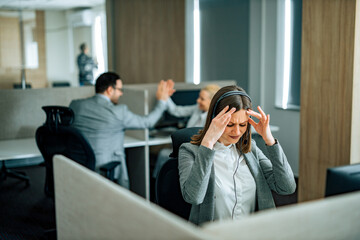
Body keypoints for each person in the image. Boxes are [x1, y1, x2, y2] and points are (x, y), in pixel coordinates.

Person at [178, 85, 296, 225]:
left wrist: (269, 140)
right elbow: (194, 197)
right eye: (230, 124)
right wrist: (208, 142)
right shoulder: (189, 151)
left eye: (243, 124)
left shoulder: (250, 150)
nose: (237, 132)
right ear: (215, 119)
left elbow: (287, 187)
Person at [69, 72, 175, 189]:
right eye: (119, 89)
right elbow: (147, 122)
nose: (121, 93)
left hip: (78, 164)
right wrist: (162, 101)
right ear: (110, 90)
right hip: (103, 167)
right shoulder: (118, 112)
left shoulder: (76, 105)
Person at [152, 84, 220, 178]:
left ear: (212, 101)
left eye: (202, 99)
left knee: (163, 154)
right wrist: (165, 96)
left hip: (195, 153)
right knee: (163, 153)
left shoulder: (214, 120)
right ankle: (158, 182)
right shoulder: (198, 109)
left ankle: (159, 181)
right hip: (185, 147)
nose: (198, 100)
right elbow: (176, 111)